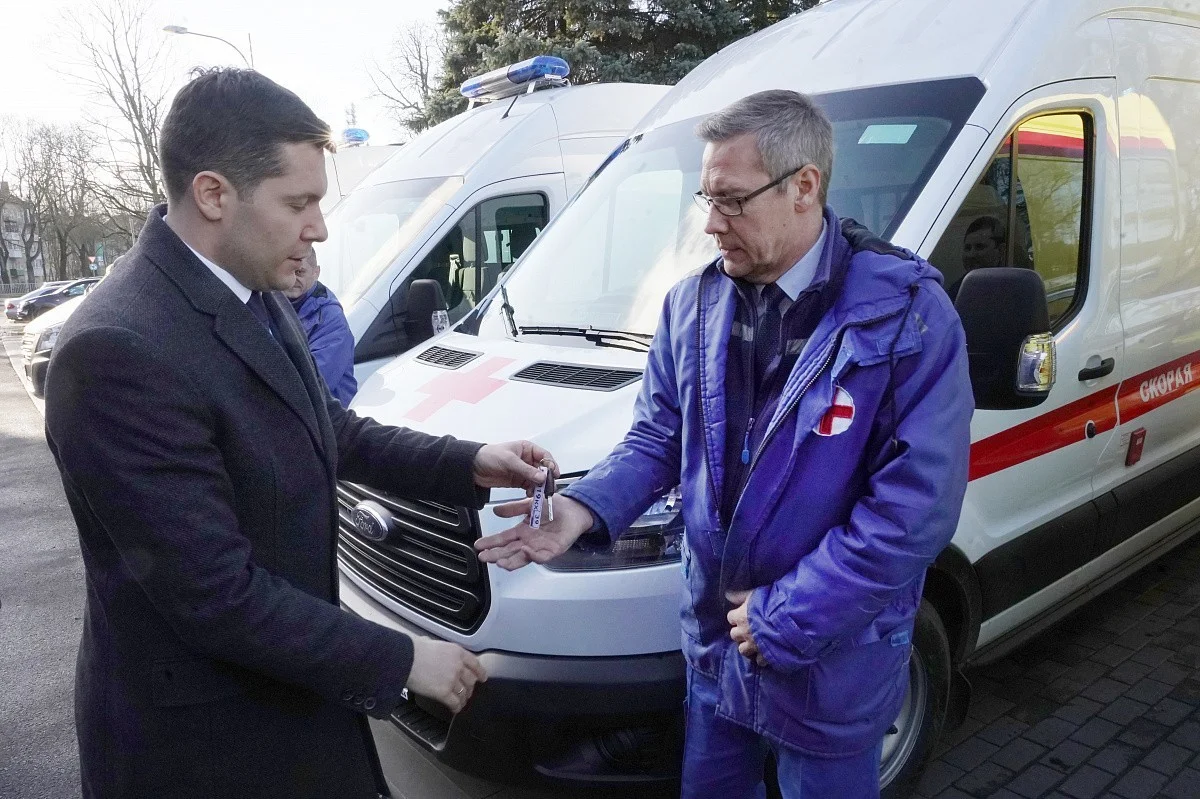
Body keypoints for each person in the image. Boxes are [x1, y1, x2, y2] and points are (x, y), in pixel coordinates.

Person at [44, 67, 556, 799]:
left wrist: (470, 462)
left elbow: (326, 428)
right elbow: (215, 595)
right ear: (214, 194)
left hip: (289, 704)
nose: (318, 227)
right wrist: (403, 658)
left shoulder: (249, 286)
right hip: (205, 748)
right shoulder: (117, 350)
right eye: (298, 203)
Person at [476, 90, 973, 797]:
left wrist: (787, 616)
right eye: (706, 199)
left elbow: (914, 510)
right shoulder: (692, 304)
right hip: (717, 646)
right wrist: (585, 508)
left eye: (733, 201)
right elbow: (657, 436)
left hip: (831, 656)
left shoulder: (906, 316)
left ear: (805, 186)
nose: (711, 223)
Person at [283, 250, 357, 406]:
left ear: (316, 272)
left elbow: (315, 382)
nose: (293, 279)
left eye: (300, 272)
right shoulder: (274, 303)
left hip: (328, 414)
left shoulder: (331, 318)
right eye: (289, 271)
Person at [948, 214, 1005, 301]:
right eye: (967, 248)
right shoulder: (958, 290)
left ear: (1001, 250)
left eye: (979, 247)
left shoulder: (1011, 286)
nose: (971, 254)